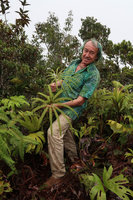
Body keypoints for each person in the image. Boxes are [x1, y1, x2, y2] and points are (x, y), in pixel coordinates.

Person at [45, 38, 102, 188]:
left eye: (92, 53)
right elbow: (64, 80)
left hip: (72, 109)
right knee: (66, 131)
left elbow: (80, 101)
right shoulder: (73, 64)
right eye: (86, 50)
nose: (87, 55)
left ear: (96, 57)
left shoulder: (93, 74)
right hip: (60, 105)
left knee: (54, 132)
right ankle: (74, 159)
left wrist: (59, 105)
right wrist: (55, 85)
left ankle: (58, 174)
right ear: (82, 50)